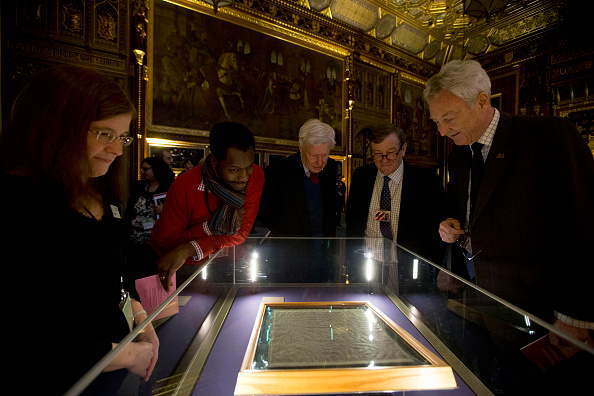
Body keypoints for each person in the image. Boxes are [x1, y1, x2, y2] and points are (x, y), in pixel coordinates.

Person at [425, 59, 594, 392]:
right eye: (436, 122)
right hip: (475, 307)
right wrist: (449, 227)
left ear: (482, 101)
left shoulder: (547, 136)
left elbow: (584, 224)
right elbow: (468, 215)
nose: (442, 131)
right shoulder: (459, 154)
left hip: (540, 314)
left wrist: (576, 315)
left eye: (449, 118)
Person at [0, 65, 159, 394]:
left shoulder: (101, 191)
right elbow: (31, 330)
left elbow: (117, 272)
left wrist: (141, 319)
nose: (117, 150)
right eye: (104, 134)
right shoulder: (17, 204)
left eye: (122, 137)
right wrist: (126, 353)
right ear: (56, 127)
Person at [151, 122, 264, 291]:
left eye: (248, 167)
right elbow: (167, 245)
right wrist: (209, 229)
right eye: (234, 170)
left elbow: (240, 234)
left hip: (223, 262)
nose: (244, 177)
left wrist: (188, 247)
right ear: (215, 161)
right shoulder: (185, 185)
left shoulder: (256, 176)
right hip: (179, 266)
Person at [346, 124, 446, 265]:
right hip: (365, 264)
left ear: (403, 149)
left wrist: (431, 269)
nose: (384, 160)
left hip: (407, 267)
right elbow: (352, 223)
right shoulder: (361, 177)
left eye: (391, 153)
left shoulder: (427, 182)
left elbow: (436, 234)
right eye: (378, 154)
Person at [258, 118, 339, 237]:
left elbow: (330, 208)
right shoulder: (278, 171)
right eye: (313, 155)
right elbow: (265, 213)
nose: (320, 162)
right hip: (290, 245)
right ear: (301, 148)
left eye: (325, 155)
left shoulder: (331, 168)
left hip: (324, 242)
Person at [124, 157, 175, 280]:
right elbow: (130, 209)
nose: (143, 172)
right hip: (134, 242)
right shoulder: (138, 186)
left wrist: (164, 211)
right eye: (142, 169)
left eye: (146, 169)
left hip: (154, 243)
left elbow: (177, 212)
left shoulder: (169, 188)